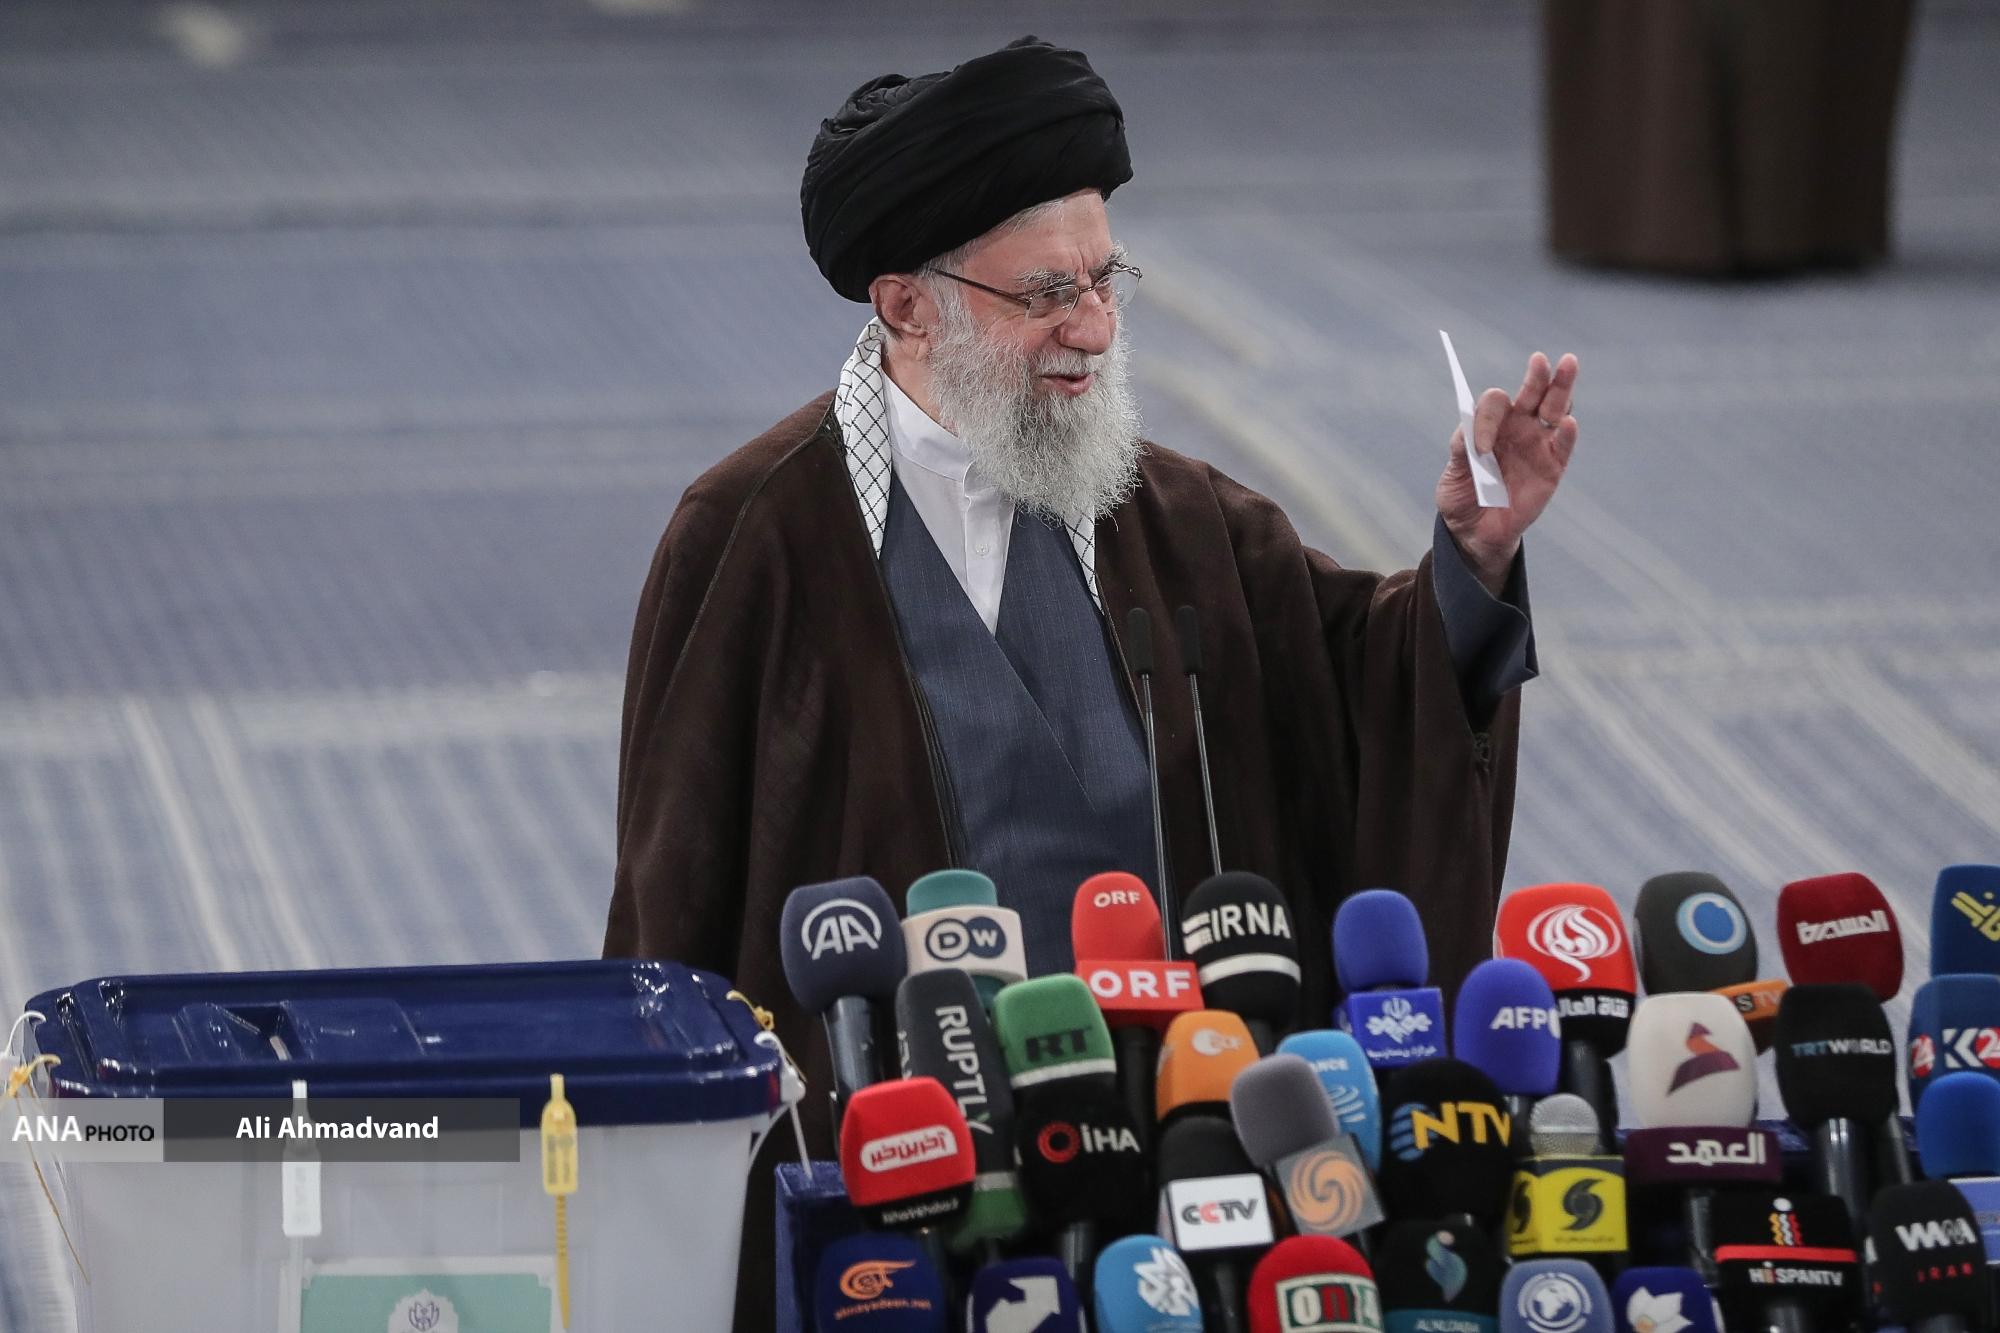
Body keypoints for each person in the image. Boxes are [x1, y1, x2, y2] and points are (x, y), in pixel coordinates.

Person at [602, 36, 1577, 1330]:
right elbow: (675, 903)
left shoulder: (1185, 517)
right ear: (907, 306)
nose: (1097, 328)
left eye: (1107, 279)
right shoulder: (753, 537)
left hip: (1174, 1155)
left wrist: (1472, 559)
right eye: (1048, 293)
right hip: (901, 1179)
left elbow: (1361, 693)